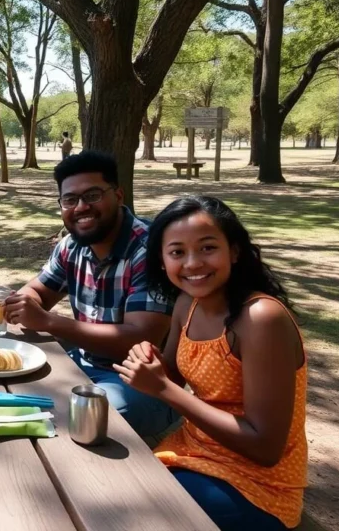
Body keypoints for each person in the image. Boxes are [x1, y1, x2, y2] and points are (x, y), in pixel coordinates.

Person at [114, 196, 307, 531]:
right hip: (192, 453)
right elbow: (172, 372)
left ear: (234, 251)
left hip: (257, 486)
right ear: (162, 260)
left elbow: (265, 447)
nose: (192, 263)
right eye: (177, 252)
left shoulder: (261, 318)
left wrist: (162, 389)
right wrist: (150, 360)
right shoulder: (187, 303)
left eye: (207, 248)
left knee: (132, 514)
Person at [3, 151, 178, 440]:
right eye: (70, 200)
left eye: (93, 195)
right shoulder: (72, 245)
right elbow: (36, 291)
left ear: (119, 195)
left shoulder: (150, 250)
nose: (81, 207)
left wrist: (49, 322)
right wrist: (22, 303)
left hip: (141, 383)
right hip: (80, 364)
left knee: (88, 417)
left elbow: (138, 340)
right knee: (12, 388)